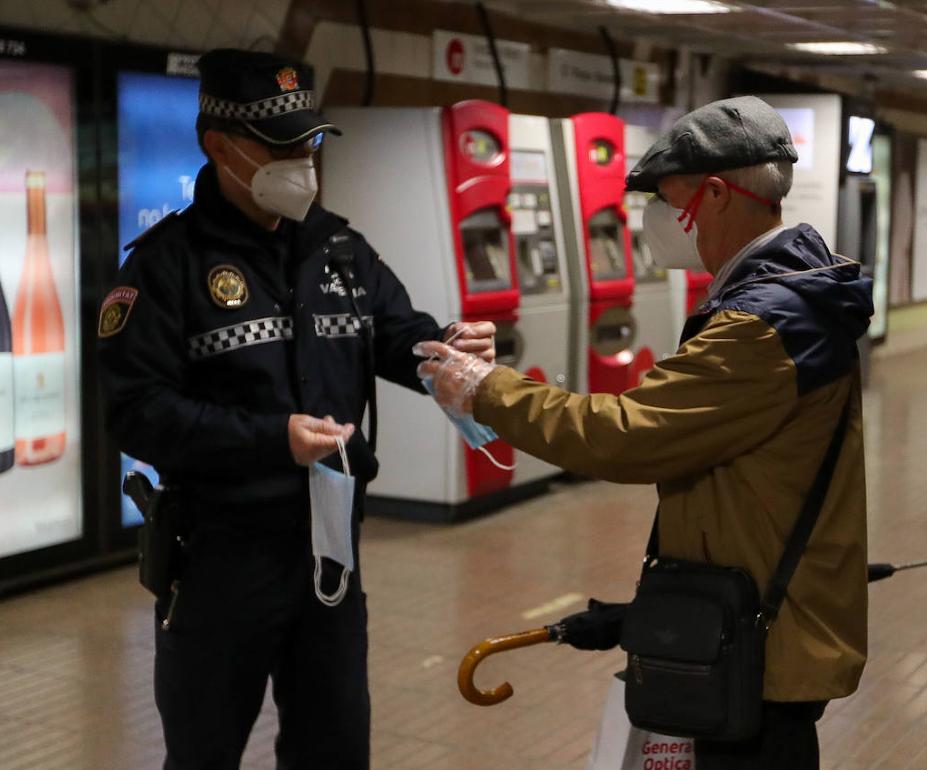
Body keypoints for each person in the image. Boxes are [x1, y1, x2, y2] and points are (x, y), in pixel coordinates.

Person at [418, 96, 873, 770]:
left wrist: (487, 389)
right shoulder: (795, 290)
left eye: (665, 199)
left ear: (715, 194)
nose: (654, 219)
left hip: (759, 637)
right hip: (759, 610)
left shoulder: (763, 325)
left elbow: (628, 435)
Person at [97, 49, 494, 769]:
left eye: (310, 142)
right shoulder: (165, 267)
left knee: (335, 748)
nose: (303, 161)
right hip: (220, 557)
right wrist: (270, 439)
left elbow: (397, 334)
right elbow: (137, 413)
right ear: (219, 145)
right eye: (280, 146)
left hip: (330, 552)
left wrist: (450, 350)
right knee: (204, 752)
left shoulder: (340, 250)